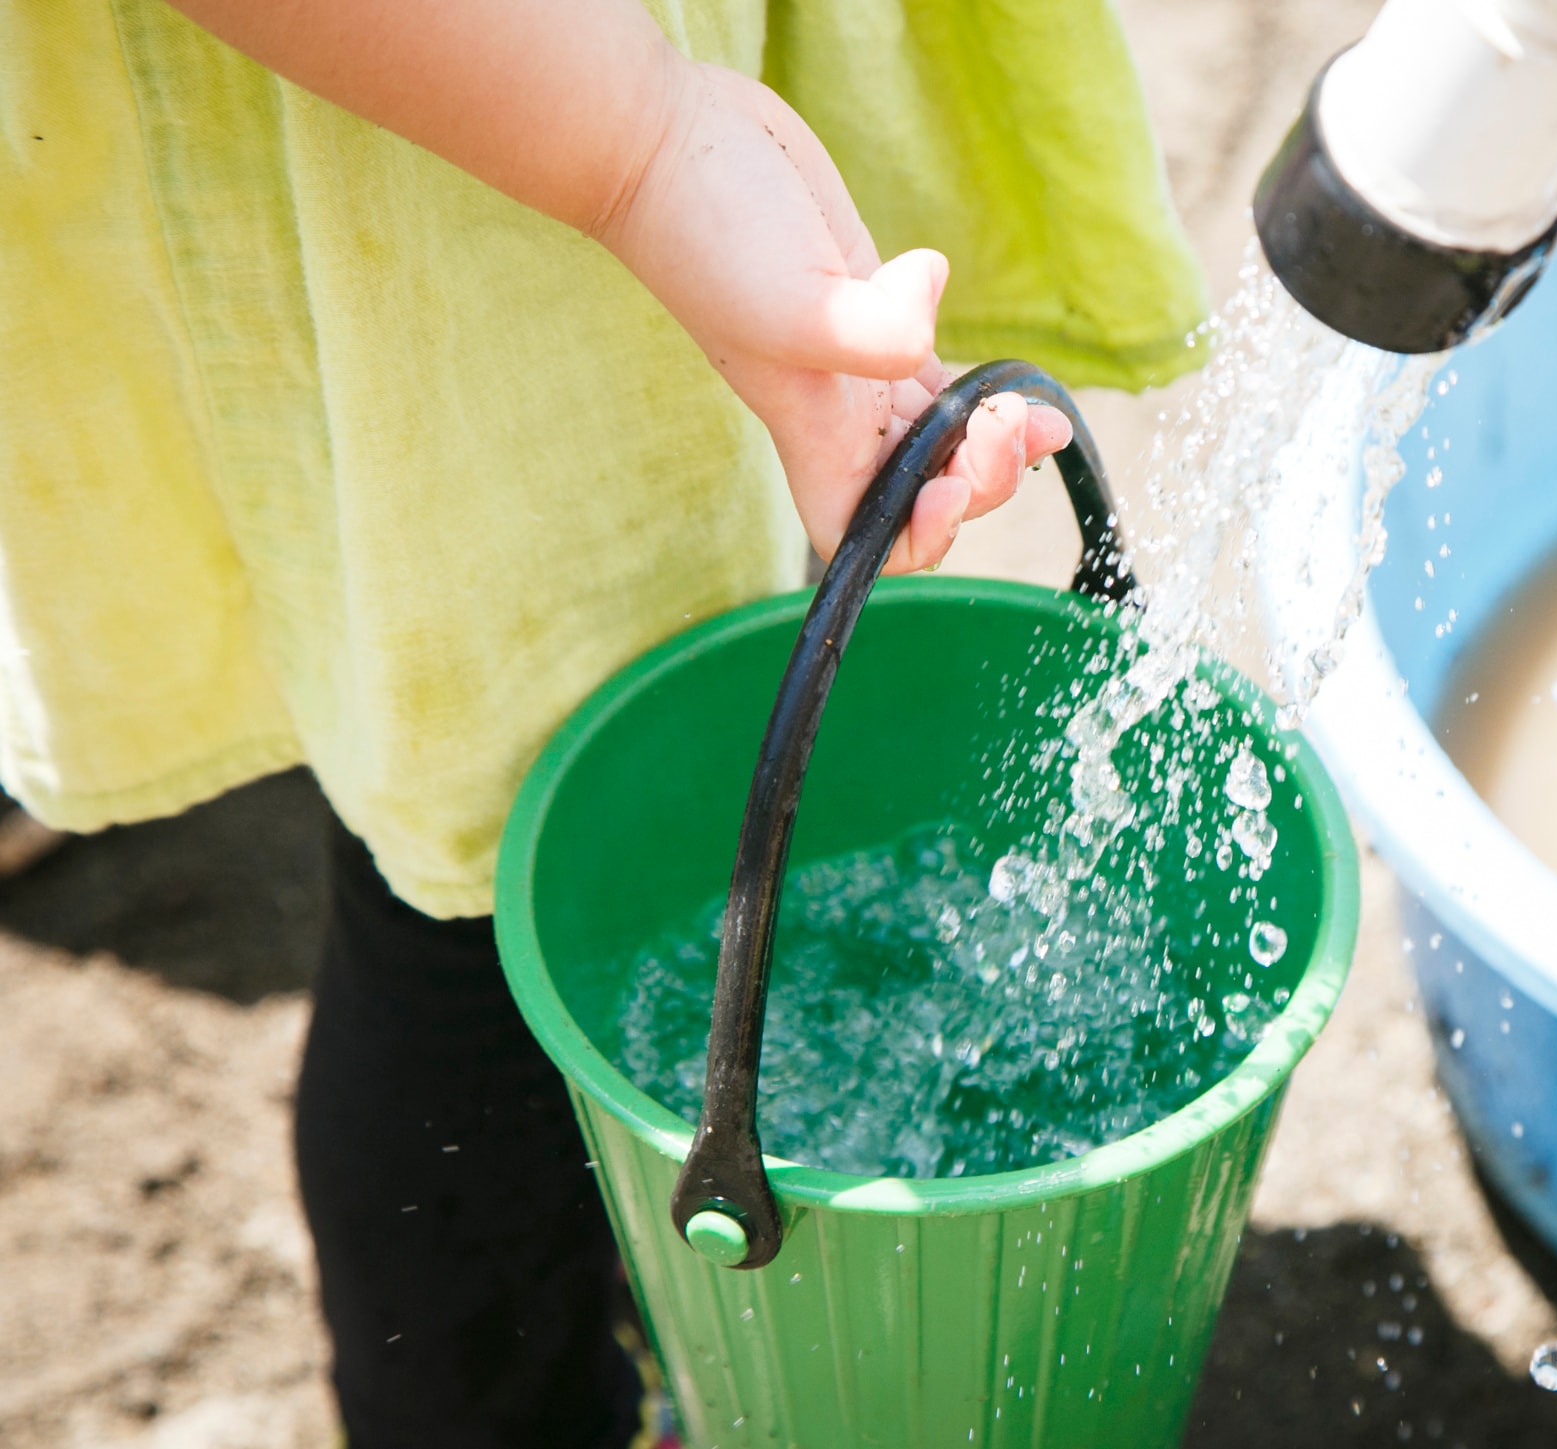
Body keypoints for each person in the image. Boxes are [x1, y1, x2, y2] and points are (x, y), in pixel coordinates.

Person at [3, 1, 1207, 1445]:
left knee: (616, 754)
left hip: (595, 104)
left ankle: (626, 1304)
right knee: (480, 870)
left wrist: (670, 145)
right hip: (445, 167)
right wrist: (641, 144)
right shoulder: (608, 150)